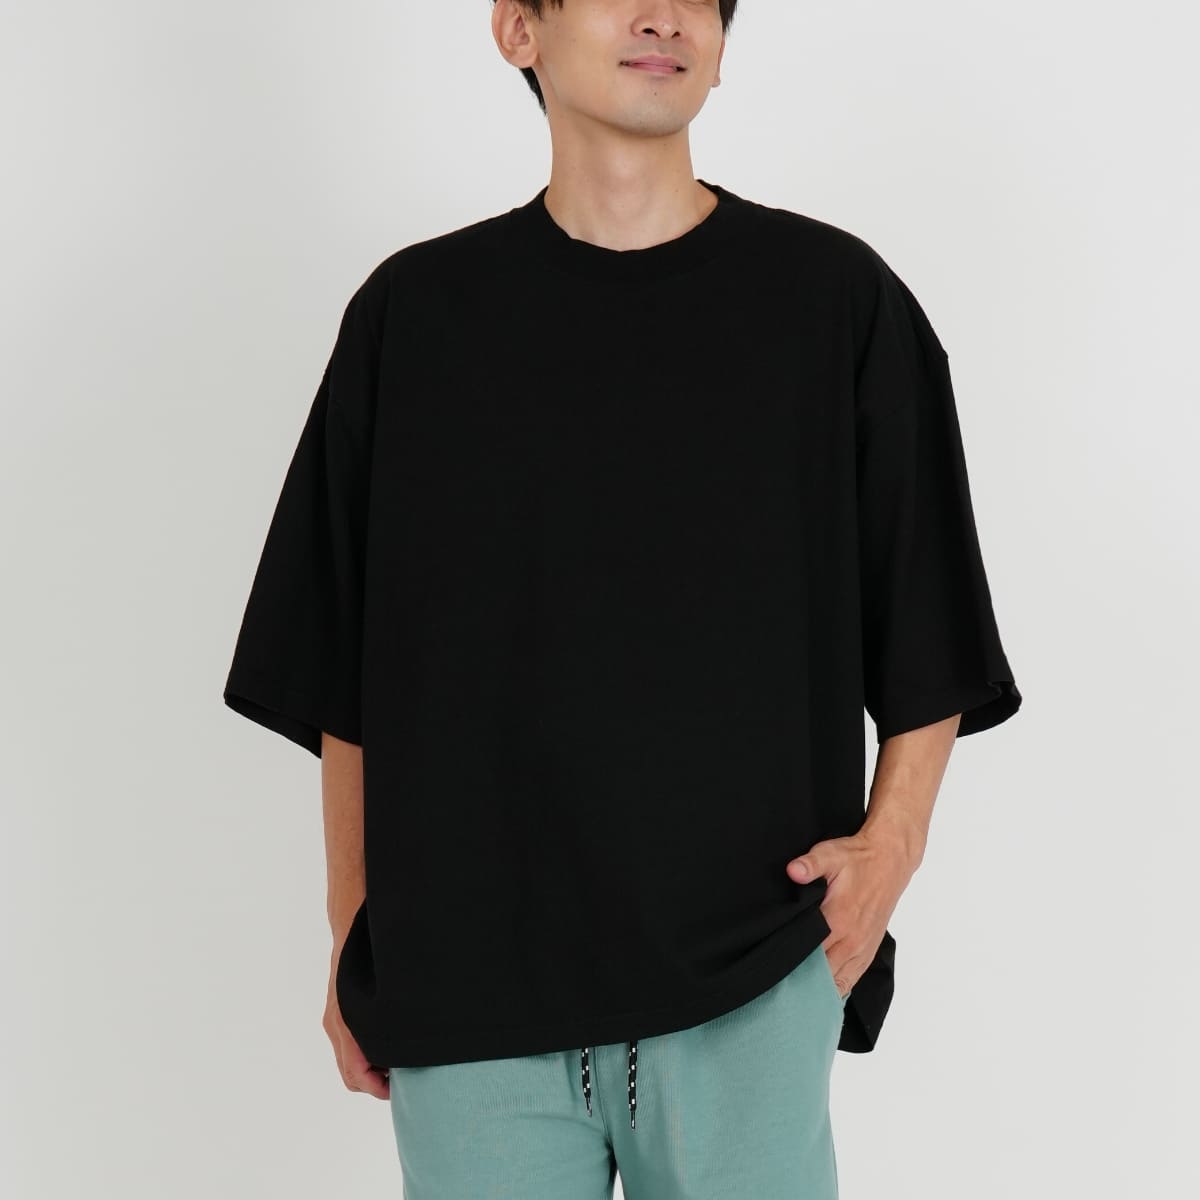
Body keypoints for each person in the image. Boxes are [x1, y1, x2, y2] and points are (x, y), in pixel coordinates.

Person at [222, 1, 1022, 1196]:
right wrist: (354, 937)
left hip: (749, 974)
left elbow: (928, 617)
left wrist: (887, 855)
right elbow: (343, 665)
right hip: (468, 996)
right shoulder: (414, 317)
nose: (664, 16)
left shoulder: (834, 303)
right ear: (519, 30)